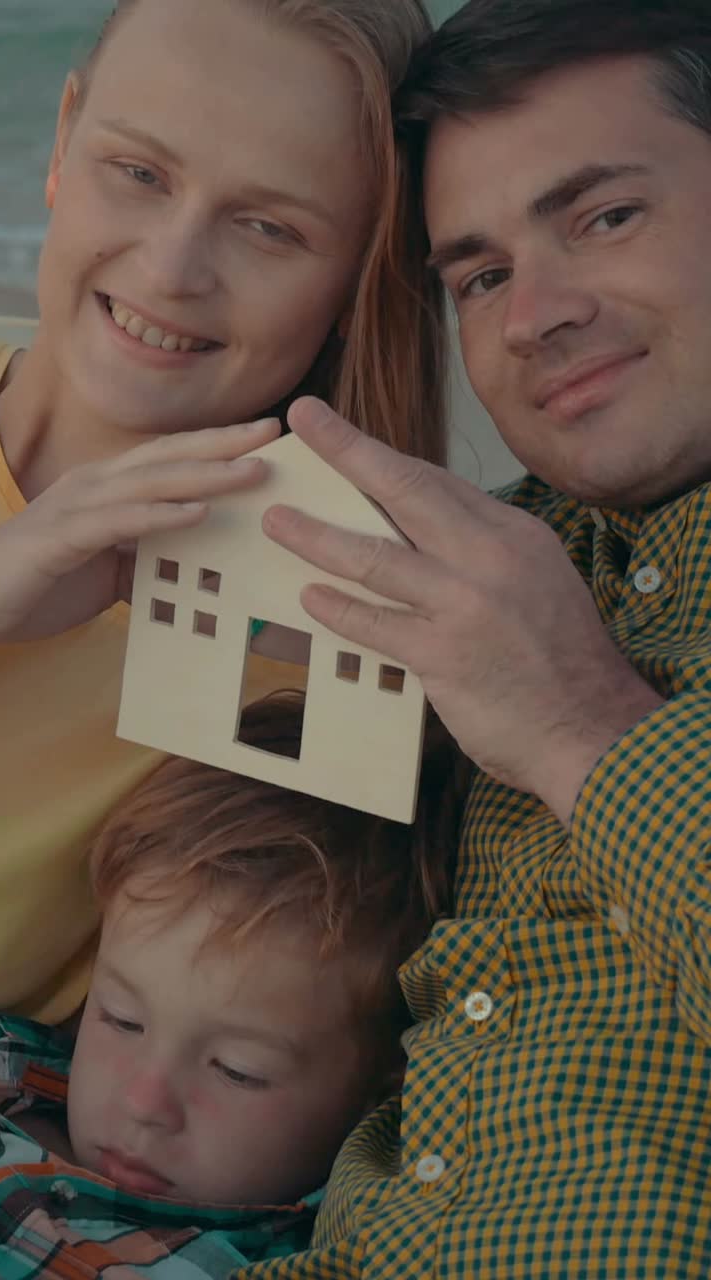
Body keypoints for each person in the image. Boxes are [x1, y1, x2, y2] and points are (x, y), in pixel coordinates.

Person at [237, 1, 711, 1275]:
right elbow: (220, 877)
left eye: (606, 216)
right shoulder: (464, 560)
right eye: (481, 275)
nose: (532, 316)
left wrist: (581, 727)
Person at [0, 0, 446, 1025]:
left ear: (359, 275)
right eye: (139, 172)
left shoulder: (325, 653)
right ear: (64, 140)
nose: (170, 268)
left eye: (269, 227)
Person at [0, 694, 464, 1275]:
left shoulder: (306, 1260)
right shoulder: (5, 1060)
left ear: (378, 1088)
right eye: (120, 1017)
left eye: (238, 1070)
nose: (143, 1103)